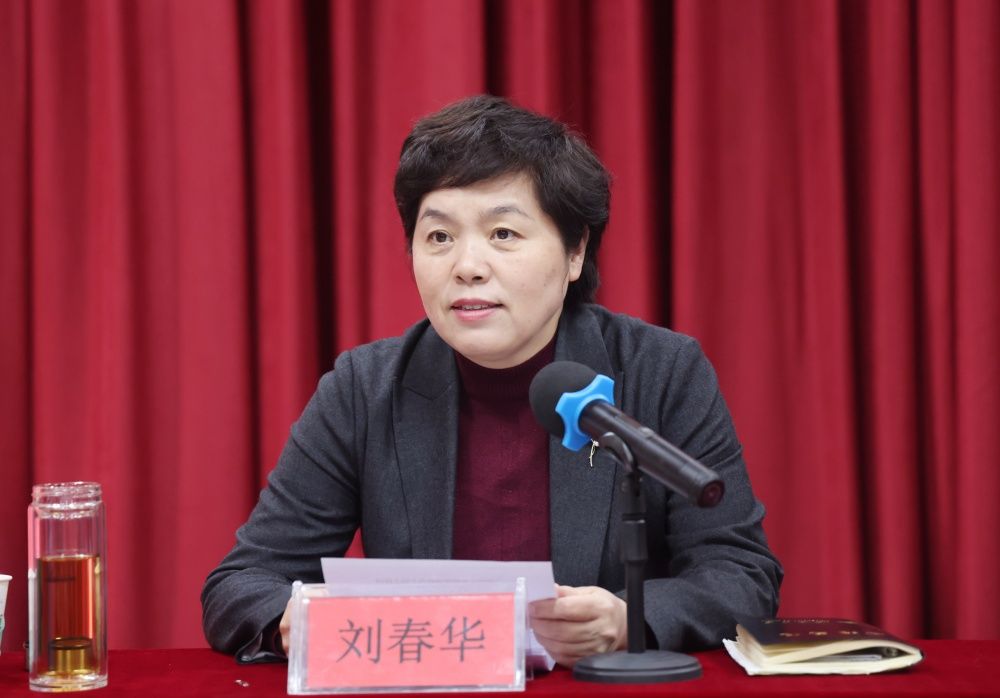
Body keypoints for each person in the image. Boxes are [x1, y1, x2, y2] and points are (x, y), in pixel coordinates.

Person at [201, 95, 782, 667]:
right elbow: (241, 583)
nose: (467, 266)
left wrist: (628, 618)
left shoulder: (661, 371)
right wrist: (296, 618)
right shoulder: (363, 388)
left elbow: (740, 573)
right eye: (439, 237)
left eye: (503, 233)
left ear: (575, 251)